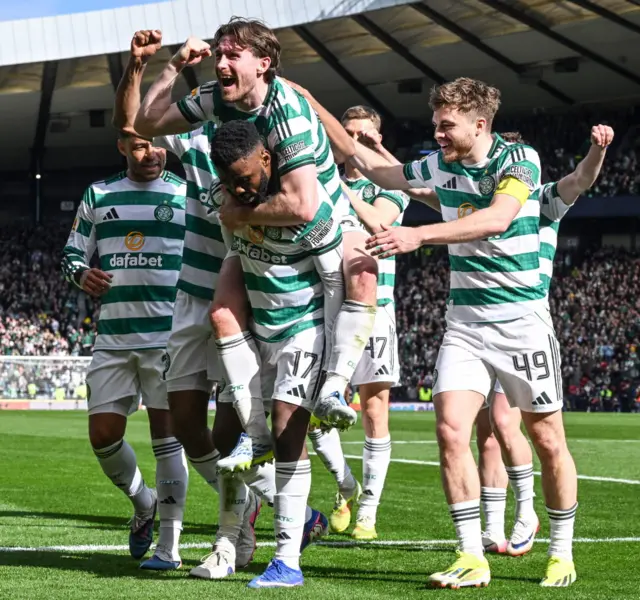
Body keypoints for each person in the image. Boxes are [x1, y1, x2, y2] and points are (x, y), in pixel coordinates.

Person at [351, 77, 578, 588]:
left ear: (480, 124)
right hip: (465, 324)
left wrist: (418, 235)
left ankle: (560, 550)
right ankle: (472, 555)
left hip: (522, 324)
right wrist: (302, 108)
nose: (437, 134)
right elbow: (386, 173)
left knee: (544, 437)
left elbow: (498, 219)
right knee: (452, 428)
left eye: (446, 125)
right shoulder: (442, 166)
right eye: (435, 124)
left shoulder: (521, 162)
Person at [134, 17, 378, 440]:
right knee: (223, 313)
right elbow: (146, 123)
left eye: (233, 55)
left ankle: (335, 388)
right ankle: (256, 434)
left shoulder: (287, 112)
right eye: (220, 54)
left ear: (264, 64)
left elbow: (303, 205)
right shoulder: (216, 98)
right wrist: (173, 65)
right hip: (267, 220)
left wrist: (237, 214)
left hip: (326, 217)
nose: (221, 63)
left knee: (360, 271)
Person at [112, 30, 260, 576]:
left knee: (238, 429)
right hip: (190, 301)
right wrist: (163, 66)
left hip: (246, 302)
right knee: (185, 425)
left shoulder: (262, 148)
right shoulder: (193, 144)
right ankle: (258, 507)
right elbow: (134, 127)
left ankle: (239, 531)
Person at [474, 125, 613, 556]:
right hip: (478, 319)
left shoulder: (544, 200)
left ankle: (526, 511)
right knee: (486, 429)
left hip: (523, 322)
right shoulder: (481, 201)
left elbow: (581, 179)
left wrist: (596, 148)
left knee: (503, 419)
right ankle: (493, 526)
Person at [210, 119, 330, 588]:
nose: (241, 187)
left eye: (247, 176)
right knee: (228, 435)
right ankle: (298, 521)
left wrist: (337, 367)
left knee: (287, 427)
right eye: (230, 182)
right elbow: (236, 260)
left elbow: (336, 279)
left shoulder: (308, 207)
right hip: (258, 330)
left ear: (267, 158)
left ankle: (286, 561)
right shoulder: (231, 208)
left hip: (307, 326)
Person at [61, 133, 189, 570]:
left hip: (168, 337)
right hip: (114, 339)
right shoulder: (99, 193)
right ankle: (143, 504)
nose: (151, 153)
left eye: (157, 146)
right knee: (102, 437)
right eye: (139, 147)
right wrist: (81, 275)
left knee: (167, 440)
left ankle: (168, 548)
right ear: (121, 147)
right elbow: (72, 253)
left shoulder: (185, 192)